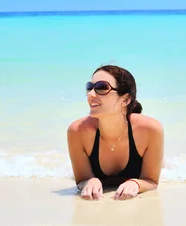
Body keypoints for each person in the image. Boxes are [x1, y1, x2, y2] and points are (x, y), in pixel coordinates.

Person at [67, 65, 164, 201]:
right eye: (89, 87)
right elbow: (81, 180)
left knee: (164, 165)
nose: (90, 94)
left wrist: (136, 183)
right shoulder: (77, 131)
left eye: (101, 87)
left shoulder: (150, 130)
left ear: (125, 99)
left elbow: (151, 181)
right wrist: (89, 181)